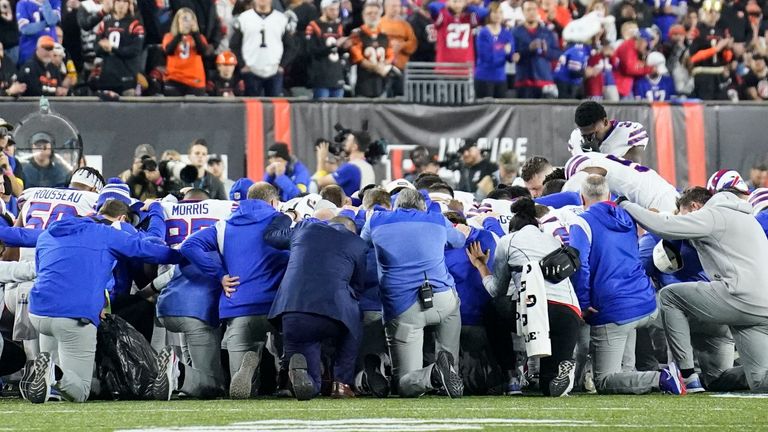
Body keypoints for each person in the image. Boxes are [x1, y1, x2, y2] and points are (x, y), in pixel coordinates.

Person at [18, 200, 182, 404]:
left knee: (56, 369)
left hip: (38, 313)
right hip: (73, 315)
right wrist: (183, 255)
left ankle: (49, 373)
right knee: (80, 391)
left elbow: (43, 271)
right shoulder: (105, 234)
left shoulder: (46, 235)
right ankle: (55, 374)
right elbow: (145, 249)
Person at [618, 170, 768, 391]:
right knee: (759, 380)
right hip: (761, 305)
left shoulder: (715, 214)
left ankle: (688, 376)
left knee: (669, 297)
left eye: (683, 212)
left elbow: (664, 226)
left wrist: (626, 205)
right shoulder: (748, 219)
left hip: (738, 298)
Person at [569, 174, 685, 395]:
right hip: (645, 302)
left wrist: (583, 302)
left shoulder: (581, 222)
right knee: (625, 368)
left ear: (582, 198)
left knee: (604, 380)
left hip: (614, 308)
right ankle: (650, 378)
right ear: (609, 194)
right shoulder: (628, 217)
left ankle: (661, 377)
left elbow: (580, 266)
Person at [180, 183, 290, 399]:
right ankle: (285, 379)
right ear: (273, 202)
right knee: (290, 348)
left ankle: (246, 373)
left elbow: (188, 246)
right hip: (279, 305)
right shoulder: (281, 221)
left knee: (240, 379)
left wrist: (219, 274)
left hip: (239, 304)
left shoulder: (224, 225)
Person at [361, 189, 469, 398]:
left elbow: (362, 242)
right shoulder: (436, 219)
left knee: (404, 383)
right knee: (453, 305)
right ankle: (448, 369)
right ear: (423, 207)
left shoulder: (377, 219)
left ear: (395, 206)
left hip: (403, 307)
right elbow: (458, 241)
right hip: (442, 298)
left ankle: (433, 375)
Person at [468, 198, 581, 397]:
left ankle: (510, 374)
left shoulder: (508, 241)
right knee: (550, 386)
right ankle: (561, 373)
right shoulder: (553, 240)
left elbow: (496, 290)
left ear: (512, 228)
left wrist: (481, 266)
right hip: (569, 311)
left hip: (534, 308)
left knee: (492, 309)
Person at [264, 215, 368, 400]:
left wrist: (286, 215)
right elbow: (358, 286)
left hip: (291, 310)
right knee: (354, 320)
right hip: (333, 314)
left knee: (308, 371)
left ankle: (294, 378)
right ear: (352, 230)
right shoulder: (357, 244)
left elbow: (271, 236)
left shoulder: (304, 229)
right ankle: (341, 384)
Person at [230, 0, 293, 97]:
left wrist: (282, 65)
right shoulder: (244, 18)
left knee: (273, 108)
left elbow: (291, 46)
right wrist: (242, 64)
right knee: (252, 108)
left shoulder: (281, 19)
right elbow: (234, 44)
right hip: (251, 69)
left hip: (274, 70)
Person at [567, 100, 648, 163]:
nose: (590, 140)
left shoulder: (628, 132)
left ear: (605, 122)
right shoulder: (576, 136)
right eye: (585, 136)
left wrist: (596, 157)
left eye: (593, 134)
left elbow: (632, 171)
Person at [94, 0, 145, 95]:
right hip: (108, 76)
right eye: (118, 1)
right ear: (113, 3)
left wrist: (112, 48)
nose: (121, 4)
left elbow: (135, 50)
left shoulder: (136, 24)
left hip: (127, 76)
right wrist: (102, 47)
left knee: (128, 108)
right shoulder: (105, 22)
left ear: (129, 5)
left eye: (125, 1)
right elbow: (96, 47)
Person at [512, 0, 561, 98]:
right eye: (528, 9)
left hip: (545, 80)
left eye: (534, 9)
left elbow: (557, 54)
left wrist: (546, 50)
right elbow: (513, 55)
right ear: (523, 12)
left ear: (538, 10)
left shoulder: (547, 32)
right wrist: (529, 49)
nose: (532, 12)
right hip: (524, 81)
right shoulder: (515, 32)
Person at [348, 1, 394, 98]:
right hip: (363, 84)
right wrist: (377, 68)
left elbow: (390, 55)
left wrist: (385, 63)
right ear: (363, 15)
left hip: (381, 84)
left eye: (376, 13)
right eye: (369, 13)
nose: (373, 16)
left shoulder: (384, 36)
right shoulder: (357, 34)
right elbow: (358, 58)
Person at [162, 8, 209, 96]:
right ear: (177, 21)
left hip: (195, 80)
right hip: (174, 79)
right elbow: (168, 51)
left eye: (189, 19)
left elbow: (203, 52)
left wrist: (195, 33)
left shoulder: (200, 38)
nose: (186, 23)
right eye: (184, 19)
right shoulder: (169, 36)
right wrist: (179, 34)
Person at [305, 0, 346, 99]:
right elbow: (310, 50)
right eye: (332, 9)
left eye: (337, 9)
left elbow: (339, 52)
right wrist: (333, 46)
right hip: (321, 77)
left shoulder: (339, 26)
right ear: (323, 9)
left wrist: (345, 46)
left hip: (337, 76)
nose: (335, 12)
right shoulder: (313, 26)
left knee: (337, 111)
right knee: (321, 111)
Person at [474, 2, 515, 99]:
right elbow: (487, 57)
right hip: (484, 77)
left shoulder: (507, 33)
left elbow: (510, 55)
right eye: (495, 12)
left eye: (500, 12)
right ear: (489, 14)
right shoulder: (483, 33)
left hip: (501, 78)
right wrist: (503, 50)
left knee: (501, 110)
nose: (498, 15)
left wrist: (513, 56)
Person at [315, 132, 375, 196]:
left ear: (354, 147)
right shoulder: (368, 166)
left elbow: (319, 182)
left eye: (348, 141)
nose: (345, 144)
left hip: (350, 205)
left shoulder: (350, 168)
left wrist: (321, 159)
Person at [429, 0, 486, 65]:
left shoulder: (470, 16)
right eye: (455, 1)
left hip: (466, 65)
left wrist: (468, 6)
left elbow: (485, 13)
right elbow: (432, 6)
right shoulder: (442, 15)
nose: (458, 5)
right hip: (445, 66)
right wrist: (446, 4)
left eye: (460, 1)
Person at [378, 0, 417, 95]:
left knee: (400, 96)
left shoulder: (405, 25)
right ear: (385, 7)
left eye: (398, 6)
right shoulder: (379, 23)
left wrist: (402, 45)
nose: (396, 9)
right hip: (382, 67)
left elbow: (413, 44)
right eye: (393, 6)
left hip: (401, 68)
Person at [16, 0, 60, 65]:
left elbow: (51, 20)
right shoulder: (23, 3)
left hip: (51, 50)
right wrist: (46, 24)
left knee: (52, 74)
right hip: (30, 50)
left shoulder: (54, 1)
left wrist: (45, 2)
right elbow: (25, 29)